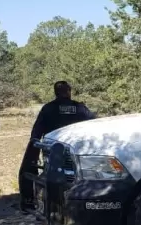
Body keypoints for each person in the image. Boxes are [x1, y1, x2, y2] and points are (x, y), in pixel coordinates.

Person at [19, 80, 96, 211]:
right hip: (75, 152)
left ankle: (49, 205)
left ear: (55, 93)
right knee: (75, 178)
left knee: (52, 178)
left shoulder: (48, 108)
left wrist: (34, 149)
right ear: (69, 92)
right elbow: (94, 124)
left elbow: (36, 132)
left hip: (52, 153)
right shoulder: (80, 108)